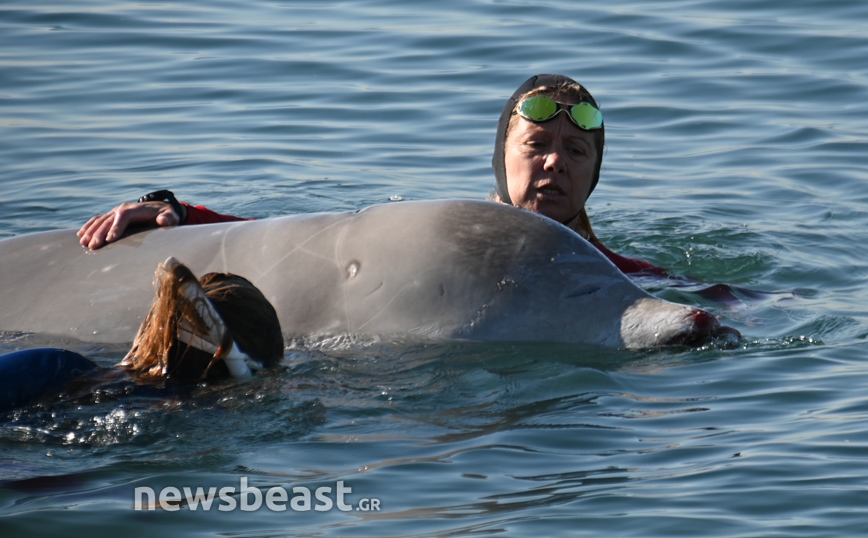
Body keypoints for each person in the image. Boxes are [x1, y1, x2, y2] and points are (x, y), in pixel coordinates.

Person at [77, 74, 663, 275]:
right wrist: (180, 215)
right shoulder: (444, 236)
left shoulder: (616, 274)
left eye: (577, 152)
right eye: (535, 144)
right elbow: (304, 245)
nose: (555, 161)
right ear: (501, 157)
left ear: (594, 174)